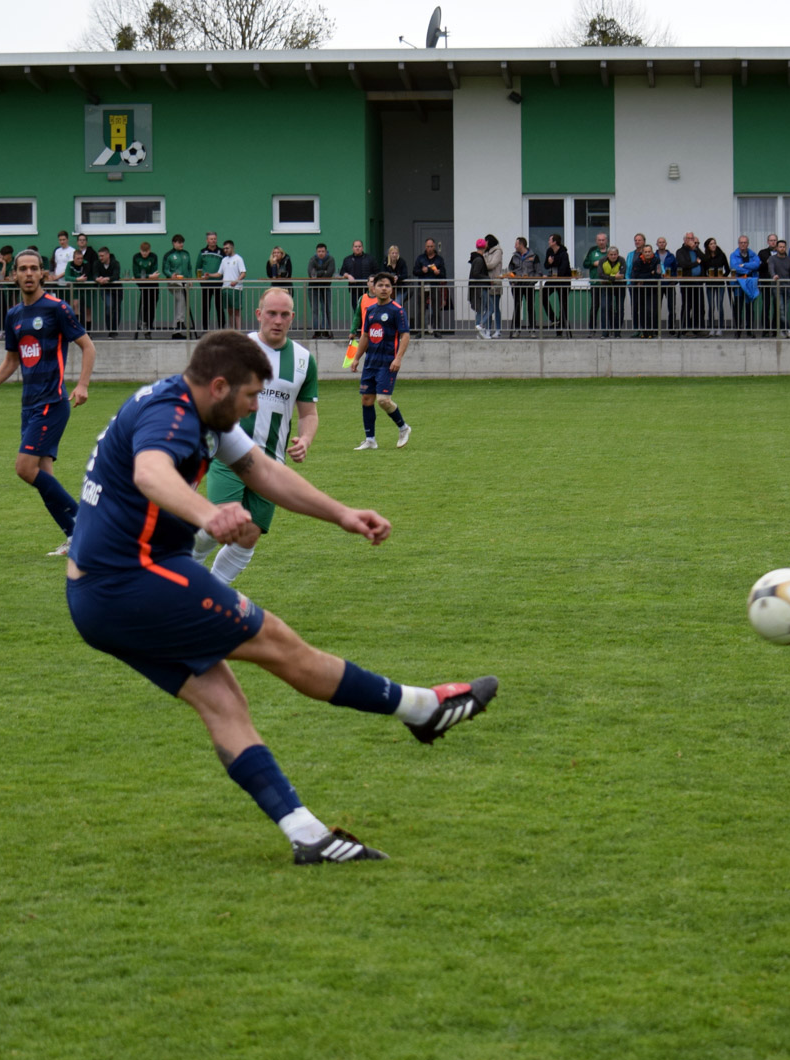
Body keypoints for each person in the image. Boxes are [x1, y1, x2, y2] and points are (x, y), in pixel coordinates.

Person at [64, 330, 498, 864]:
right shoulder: (171, 415)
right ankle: (422, 709)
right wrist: (208, 514)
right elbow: (150, 472)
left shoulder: (197, 409)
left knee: (223, 702)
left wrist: (342, 514)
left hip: (99, 596)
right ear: (219, 386)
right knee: (281, 645)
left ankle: (308, 836)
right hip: (132, 581)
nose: (256, 407)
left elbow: (264, 471)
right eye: (251, 396)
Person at [0, 248, 97, 557]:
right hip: (29, 405)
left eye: (33, 268)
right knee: (44, 477)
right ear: (14, 275)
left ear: (43, 273)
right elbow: (12, 360)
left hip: (52, 403)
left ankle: (88, 525)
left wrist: (82, 384)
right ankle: (75, 537)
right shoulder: (14, 315)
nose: (28, 273)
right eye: (22, 269)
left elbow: (88, 346)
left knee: (24, 468)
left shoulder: (57, 308)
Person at [188, 287, 319, 585]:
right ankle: (184, 571)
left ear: (293, 317)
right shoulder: (236, 350)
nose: (278, 320)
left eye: (284, 315)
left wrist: (305, 440)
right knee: (221, 520)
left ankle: (212, 593)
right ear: (259, 314)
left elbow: (308, 414)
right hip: (229, 453)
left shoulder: (303, 360)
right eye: (271, 313)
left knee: (248, 535)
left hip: (271, 462)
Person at [349, 272, 411, 451]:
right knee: (366, 399)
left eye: (387, 286)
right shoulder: (370, 310)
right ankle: (370, 440)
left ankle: (403, 428)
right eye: (381, 285)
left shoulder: (397, 310)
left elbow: (405, 335)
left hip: (387, 362)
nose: (384, 289)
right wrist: (356, 358)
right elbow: (365, 336)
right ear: (373, 288)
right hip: (371, 362)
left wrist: (398, 358)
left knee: (383, 400)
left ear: (392, 290)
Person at [412, 238, 447, 337]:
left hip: (435, 285)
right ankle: (420, 331)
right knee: (421, 309)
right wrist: (421, 271)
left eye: (431, 246)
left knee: (436, 309)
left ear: (434, 247)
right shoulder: (420, 258)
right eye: (428, 246)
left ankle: (437, 331)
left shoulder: (439, 259)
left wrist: (438, 273)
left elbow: (444, 274)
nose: (429, 248)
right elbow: (414, 271)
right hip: (423, 285)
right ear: (425, 247)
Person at [728, 235, 760, 338]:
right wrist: (749, 269)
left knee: (749, 309)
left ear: (748, 244)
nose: (743, 244)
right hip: (738, 285)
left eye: (745, 242)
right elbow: (734, 267)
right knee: (738, 308)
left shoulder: (753, 254)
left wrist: (744, 265)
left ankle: (750, 330)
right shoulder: (734, 255)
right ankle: (738, 330)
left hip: (750, 284)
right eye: (741, 242)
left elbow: (757, 264)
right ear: (738, 244)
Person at [161, 234, 193, 338]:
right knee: (181, 298)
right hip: (174, 282)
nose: (181, 244)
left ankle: (176, 331)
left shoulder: (186, 254)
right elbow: (165, 269)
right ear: (174, 243)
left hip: (184, 281)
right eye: (179, 242)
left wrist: (190, 279)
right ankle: (180, 321)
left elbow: (189, 268)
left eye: (182, 242)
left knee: (180, 302)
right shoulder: (168, 255)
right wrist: (171, 275)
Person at [507, 237, 539, 338]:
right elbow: (510, 270)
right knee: (517, 307)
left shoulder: (533, 256)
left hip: (529, 285)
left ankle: (532, 329)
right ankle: (517, 329)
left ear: (521, 245)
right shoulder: (514, 257)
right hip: (517, 285)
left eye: (516, 244)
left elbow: (538, 272)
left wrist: (532, 281)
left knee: (530, 307)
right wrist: (512, 282)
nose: (514, 246)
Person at [541, 233, 572, 336]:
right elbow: (546, 265)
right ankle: (554, 319)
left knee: (563, 304)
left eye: (550, 240)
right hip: (553, 279)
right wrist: (549, 263)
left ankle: (561, 329)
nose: (548, 242)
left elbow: (563, 268)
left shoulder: (563, 253)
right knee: (543, 295)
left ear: (554, 242)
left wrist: (555, 270)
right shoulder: (549, 251)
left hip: (563, 280)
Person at [196, 231, 224, 334]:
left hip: (219, 283)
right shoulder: (202, 252)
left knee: (219, 306)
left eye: (215, 239)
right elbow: (198, 267)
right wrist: (200, 280)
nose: (213, 241)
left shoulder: (222, 252)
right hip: (206, 284)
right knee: (206, 307)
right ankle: (205, 329)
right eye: (211, 239)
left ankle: (221, 329)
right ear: (207, 240)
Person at [595, 245, 626, 338]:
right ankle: (605, 333)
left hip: (620, 286)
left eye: (615, 254)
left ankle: (617, 333)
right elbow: (600, 275)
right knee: (604, 307)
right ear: (608, 255)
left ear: (618, 254)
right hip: (606, 286)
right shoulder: (602, 261)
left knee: (620, 309)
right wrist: (614, 277)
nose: (613, 256)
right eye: (611, 254)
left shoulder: (621, 260)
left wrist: (608, 276)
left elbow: (622, 274)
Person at [700, 237, 728, 336]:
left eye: (714, 243)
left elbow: (728, 269)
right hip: (710, 283)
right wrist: (706, 278)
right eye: (711, 244)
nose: (713, 245)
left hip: (720, 283)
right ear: (707, 246)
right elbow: (703, 270)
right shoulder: (705, 257)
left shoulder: (721, 255)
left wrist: (723, 276)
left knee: (719, 305)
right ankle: (711, 327)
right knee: (711, 306)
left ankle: (720, 328)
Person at [90, 246, 122, 336]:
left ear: (108, 255)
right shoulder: (97, 263)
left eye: (102, 256)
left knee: (116, 309)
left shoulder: (115, 263)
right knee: (109, 306)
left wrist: (107, 279)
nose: (100, 258)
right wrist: (97, 279)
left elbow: (116, 275)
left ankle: (114, 330)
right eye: (99, 256)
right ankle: (110, 328)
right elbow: (94, 274)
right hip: (105, 289)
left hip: (117, 289)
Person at [306, 242, 335, 338]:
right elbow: (311, 273)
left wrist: (318, 273)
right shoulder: (312, 259)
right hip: (313, 288)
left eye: (323, 251)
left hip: (326, 287)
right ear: (316, 252)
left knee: (326, 309)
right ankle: (317, 331)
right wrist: (323, 272)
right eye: (319, 251)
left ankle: (326, 330)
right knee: (315, 310)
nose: (321, 253)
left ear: (326, 252)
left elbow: (329, 273)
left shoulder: (330, 259)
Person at [766, 240, 790, 337]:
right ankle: (787, 329)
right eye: (780, 247)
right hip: (777, 288)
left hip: (787, 288)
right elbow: (771, 269)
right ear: (777, 248)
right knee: (781, 309)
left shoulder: (789, 260)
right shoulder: (772, 258)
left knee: (784, 310)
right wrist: (774, 275)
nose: (782, 248)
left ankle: (781, 330)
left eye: (783, 247)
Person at [676, 233, 703, 334]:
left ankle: (697, 329)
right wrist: (696, 263)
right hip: (686, 282)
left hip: (698, 282)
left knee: (698, 306)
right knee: (687, 305)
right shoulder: (680, 251)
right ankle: (684, 329)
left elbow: (705, 259)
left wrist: (697, 248)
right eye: (689, 238)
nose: (691, 240)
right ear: (684, 240)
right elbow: (683, 264)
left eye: (692, 238)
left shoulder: (696, 251)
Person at [133, 240, 161, 339]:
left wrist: (147, 276)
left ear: (149, 250)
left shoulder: (153, 256)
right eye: (142, 251)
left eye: (146, 251)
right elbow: (136, 274)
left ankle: (149, 326)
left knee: (152, 306)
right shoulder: (136, 257)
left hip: (153, 285)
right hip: (143, 285)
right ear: (140, 250)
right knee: (145, 306)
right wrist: (149, 276)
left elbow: (155, 273)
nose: (144, 253)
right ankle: (144, 324)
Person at [218, 239, 247, 332]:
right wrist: (209, 275)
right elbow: (219, 273)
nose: (225, 250)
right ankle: (232, 331)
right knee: (230, 311)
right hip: (225, 288)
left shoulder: (238, 259)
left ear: (232, 248)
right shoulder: (224, 260)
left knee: (237, 311)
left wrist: (236, 281)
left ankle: (239, 331)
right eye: (224, 248)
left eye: (227, 248)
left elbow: (243, 273)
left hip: (236, 288)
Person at [653, 236, 678, 333]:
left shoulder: (671, 256)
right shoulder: (653, 256)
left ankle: (671, 328)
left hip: (669, 285)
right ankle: (656, 329)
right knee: (656, 308)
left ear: (666, 244)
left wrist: (674, 281)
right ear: (657, 244)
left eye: (663, 242)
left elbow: (676, 269)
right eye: (660, 242)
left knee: (671, 307)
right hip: (657, 285)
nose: (661, 244)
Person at [381, 244, 410, 317]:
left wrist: (398, 278)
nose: (394, 255)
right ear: (389, 254)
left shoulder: (401, 262)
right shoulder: (385, 262)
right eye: (392, 253)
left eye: (396, 253)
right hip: (389, 288)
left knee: (397, 303)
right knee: (387, 304)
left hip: (401, 288)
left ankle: (399, 319)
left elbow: (405, 274)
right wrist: (390, 277)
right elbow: (382, 273)